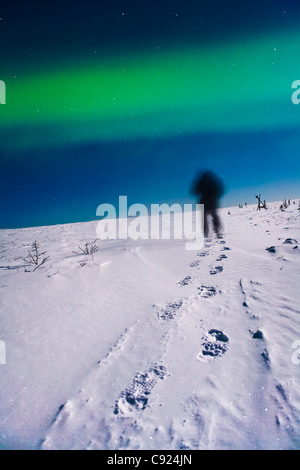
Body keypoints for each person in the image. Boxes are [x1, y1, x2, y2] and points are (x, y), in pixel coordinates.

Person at [190, 170, 224, 237]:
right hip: (212, 201)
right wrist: (216, 197)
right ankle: (217, 229)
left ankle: (206, 231)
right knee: (214, 215)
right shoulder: (213, 181)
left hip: (204, 201)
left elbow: (195, 191)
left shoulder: (200, 182)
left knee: (204, 217)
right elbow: (219, 189)